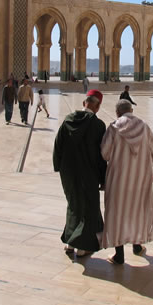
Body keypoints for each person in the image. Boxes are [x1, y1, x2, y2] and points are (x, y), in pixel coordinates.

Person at [100, 99, 153, 265]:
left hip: (118, 180)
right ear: (131, 111)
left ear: (117, 113)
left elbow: (104, 154)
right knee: (137, 210)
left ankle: (119, 255)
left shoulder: (114, 128)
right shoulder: (144, 127)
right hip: (141, 179)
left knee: (117, 213)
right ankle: (137, 246)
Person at [53, 89, 107, 257]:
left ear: (84, 103)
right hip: (88, 174)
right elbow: (102, 155)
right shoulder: (98, 126)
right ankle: (82, 247)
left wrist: (58, 167)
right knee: (88, 209)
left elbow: (58, 145)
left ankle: (70, 243)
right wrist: (103, 178)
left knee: (73, 205)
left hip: (68, 173)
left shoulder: (68, 120)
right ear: (98, 107)